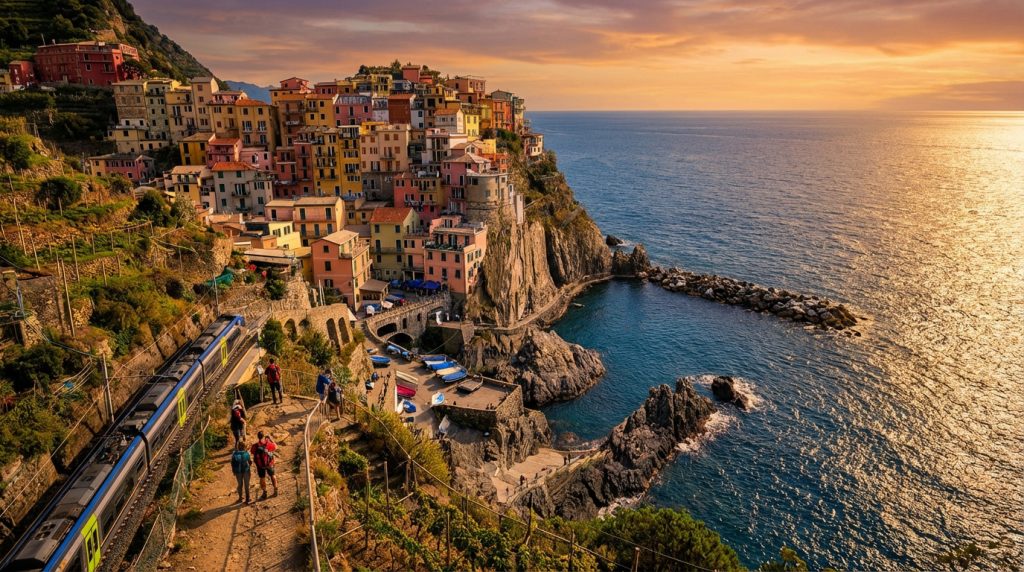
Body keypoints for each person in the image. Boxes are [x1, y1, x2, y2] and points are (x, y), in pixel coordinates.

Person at [250, 431, 278, 499]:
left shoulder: (255, 446)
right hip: (269, 464)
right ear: (264, 436)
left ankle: (264, 493)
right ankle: (276, 490)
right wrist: (271, 439)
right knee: (273, 476)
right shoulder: (268, 443)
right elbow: (276, 447)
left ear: (258, 437)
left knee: (262, 478)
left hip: (260, 465)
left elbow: (252, 452)